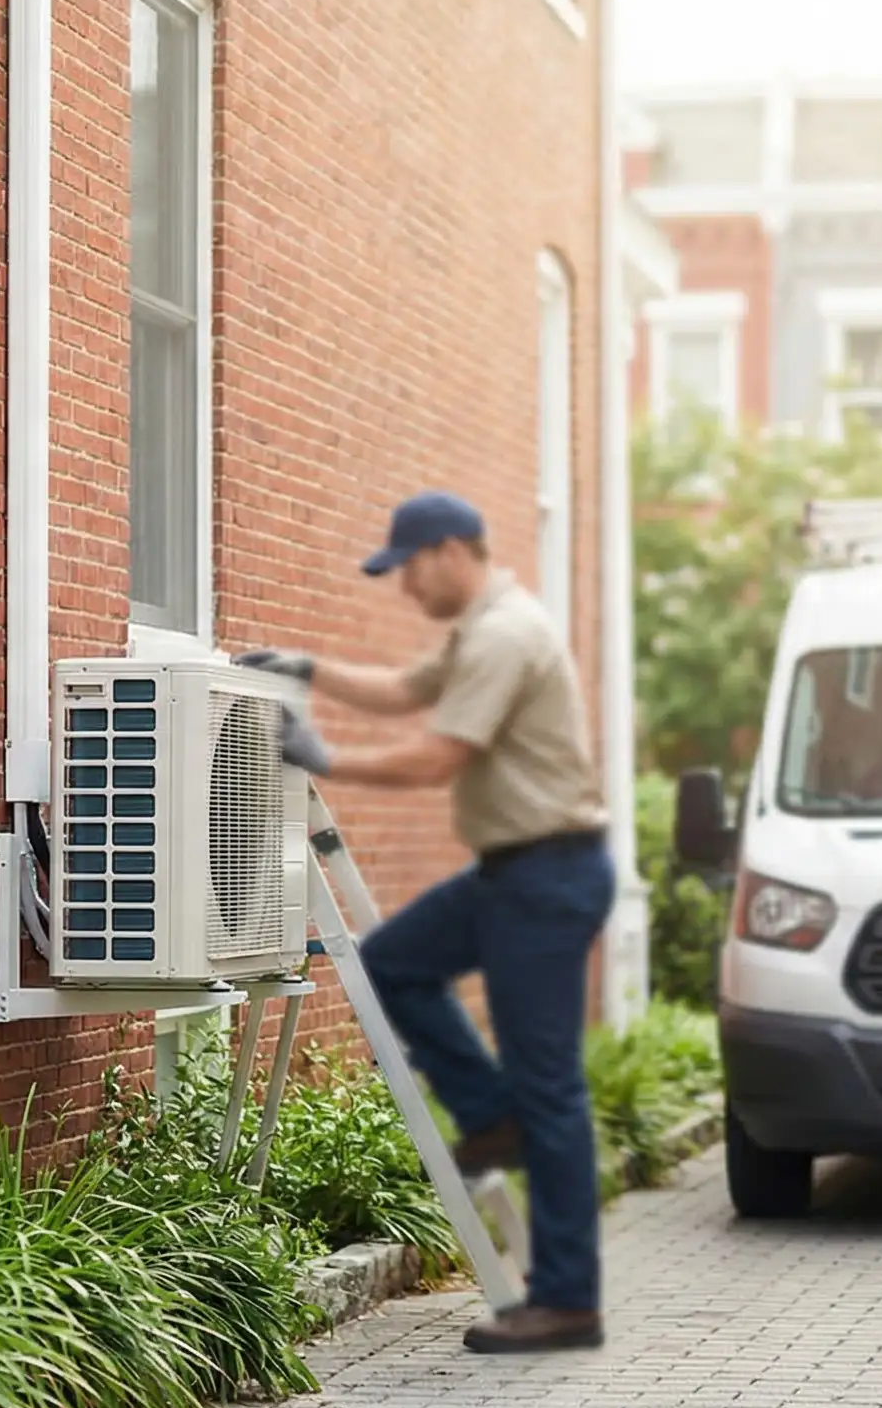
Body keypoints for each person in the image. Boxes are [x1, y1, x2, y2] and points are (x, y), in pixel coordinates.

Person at [238, 489, 615, 1355]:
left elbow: (440, 753)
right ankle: (492, 1114)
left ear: (448, 550)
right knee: (394, 961)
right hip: (513, 874)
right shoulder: (482, 626)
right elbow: (405, 689)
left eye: (406, 567)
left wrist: (327, 758)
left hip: (548, 877)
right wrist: (312, 667)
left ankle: (566, 1299)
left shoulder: (505, 635)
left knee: (550, 1085)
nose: (404, 587)